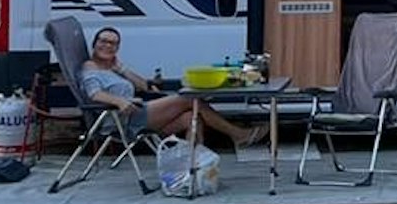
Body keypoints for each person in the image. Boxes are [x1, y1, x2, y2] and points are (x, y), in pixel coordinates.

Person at [81, 27, 265, 148]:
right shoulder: (90, 68)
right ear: (94, 43)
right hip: (122, 120)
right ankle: (238, 135)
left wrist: (121, 68)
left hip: (135, 115)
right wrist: (119, 101)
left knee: (191, 117)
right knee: (189, 99)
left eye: (113, 43)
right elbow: (94, 93)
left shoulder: (111, 68)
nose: (108, 46)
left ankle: (191, 164)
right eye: (103, 41)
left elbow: (143, 86)